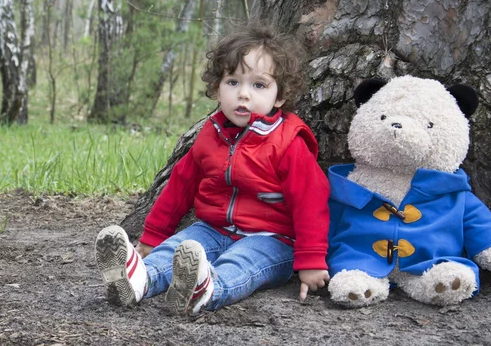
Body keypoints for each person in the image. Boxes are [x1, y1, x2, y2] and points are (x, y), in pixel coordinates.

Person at [94, 24, 330, 316]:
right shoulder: (211, 134)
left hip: (271, 240)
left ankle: (207, 289)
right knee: (180, 247)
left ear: (279, 97)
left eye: (259, 85)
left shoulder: (288, 143)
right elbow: (180, 187)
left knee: (242, 263)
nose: (243, 94)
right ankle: (138, 279)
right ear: (217, 88)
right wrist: (153, 237)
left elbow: (311, 201)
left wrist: (311, 260)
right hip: (213, 227)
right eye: (233, 82)